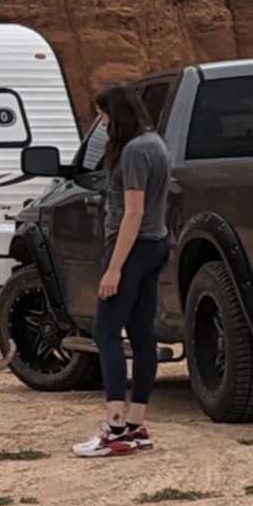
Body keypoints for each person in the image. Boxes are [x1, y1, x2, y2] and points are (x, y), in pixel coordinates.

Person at [75, 72, 173, 458]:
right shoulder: (156, 143)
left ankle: (115, 428)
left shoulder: (133, 152)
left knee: (106, 333)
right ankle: (136, 425)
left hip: (131, 247)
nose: (101, 123)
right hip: (156, 244)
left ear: (116, 115)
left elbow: (133, 212)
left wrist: (114, 268)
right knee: (142, 333)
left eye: (103, 116)